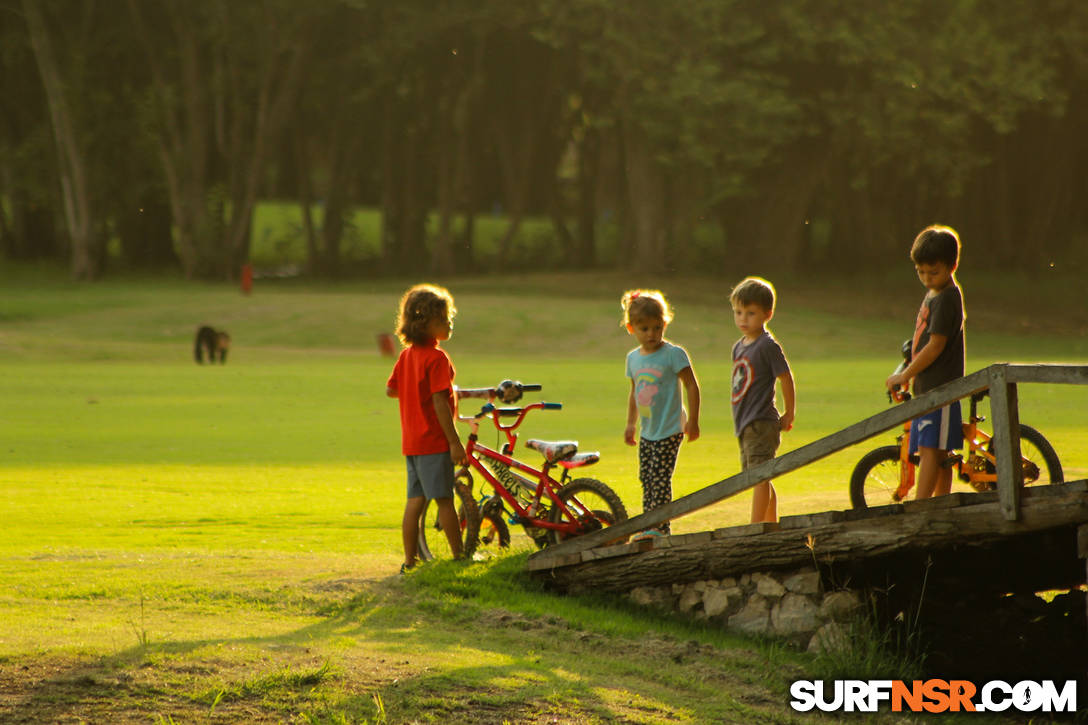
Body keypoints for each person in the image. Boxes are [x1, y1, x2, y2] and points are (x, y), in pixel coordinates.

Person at [386, 283, 466, 573]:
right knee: (444, 499)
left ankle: (410, 561)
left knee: (415, 501)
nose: (449, 324)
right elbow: (440, 404)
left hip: (412, 442)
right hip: (433, 440)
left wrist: (411, 390)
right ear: (425, 324)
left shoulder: (407, 356)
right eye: (443, 320)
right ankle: (459, 558)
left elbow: (391, 390)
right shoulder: (437, 358)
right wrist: (455, 443)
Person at [885, 225, 966, 500]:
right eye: (921, 272)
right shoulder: (934, 293)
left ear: (952, 265)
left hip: (939, 388)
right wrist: (909, 373)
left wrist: (905, 373)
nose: (927, 278)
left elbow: (935, 347)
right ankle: (942, 503)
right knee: (937, 450)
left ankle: (922, 506)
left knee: (932, 450)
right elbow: (921, 340)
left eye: (934, 272)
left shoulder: (946, 298)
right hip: (927, 386)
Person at [622, 289, 701, 540]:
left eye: (657, 328)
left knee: (659, 479)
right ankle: (649, 527)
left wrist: (694, 421)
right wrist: (630, 424)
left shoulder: (673, 354)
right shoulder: (633, 359)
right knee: (646, 477)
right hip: (648, 430)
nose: (652, 334)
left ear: (665, 324)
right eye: (644, 329)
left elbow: (691, 385)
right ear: (631, 328)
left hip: (670, 428)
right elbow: (635, 392)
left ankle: (661, 529)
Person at [729, 277, 796, 524]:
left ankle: (756, 526)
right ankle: (770, 522)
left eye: (750, 313)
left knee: (759, 475)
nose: (743, 319)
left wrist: (789, 412)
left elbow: (785, 378)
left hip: (762, 421)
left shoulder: (768, 346)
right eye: (738, 312)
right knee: (759, 475)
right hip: (745, 423)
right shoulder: (739, 347)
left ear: (767, 314)